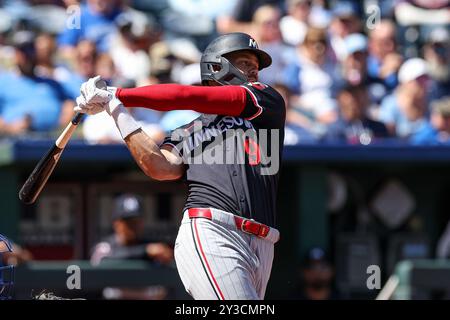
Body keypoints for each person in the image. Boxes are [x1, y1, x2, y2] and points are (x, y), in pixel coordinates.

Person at [75, 32, 286, 300]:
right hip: (213, 230)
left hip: (264, 242)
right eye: (245, 62)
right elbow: (160, 167)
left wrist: (117, 93)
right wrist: (115, 107)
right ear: (217, 67)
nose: (254, 70)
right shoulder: (190, 131)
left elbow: (185, 96)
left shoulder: (268, 102)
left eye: (256, 66)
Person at [90, 194, 173, 266]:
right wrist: (145, 251)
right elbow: (102, 261)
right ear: (116, 223)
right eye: (128, 222)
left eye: (137, 221)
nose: (133, 226)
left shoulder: (151, 245)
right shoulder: (106, 246)